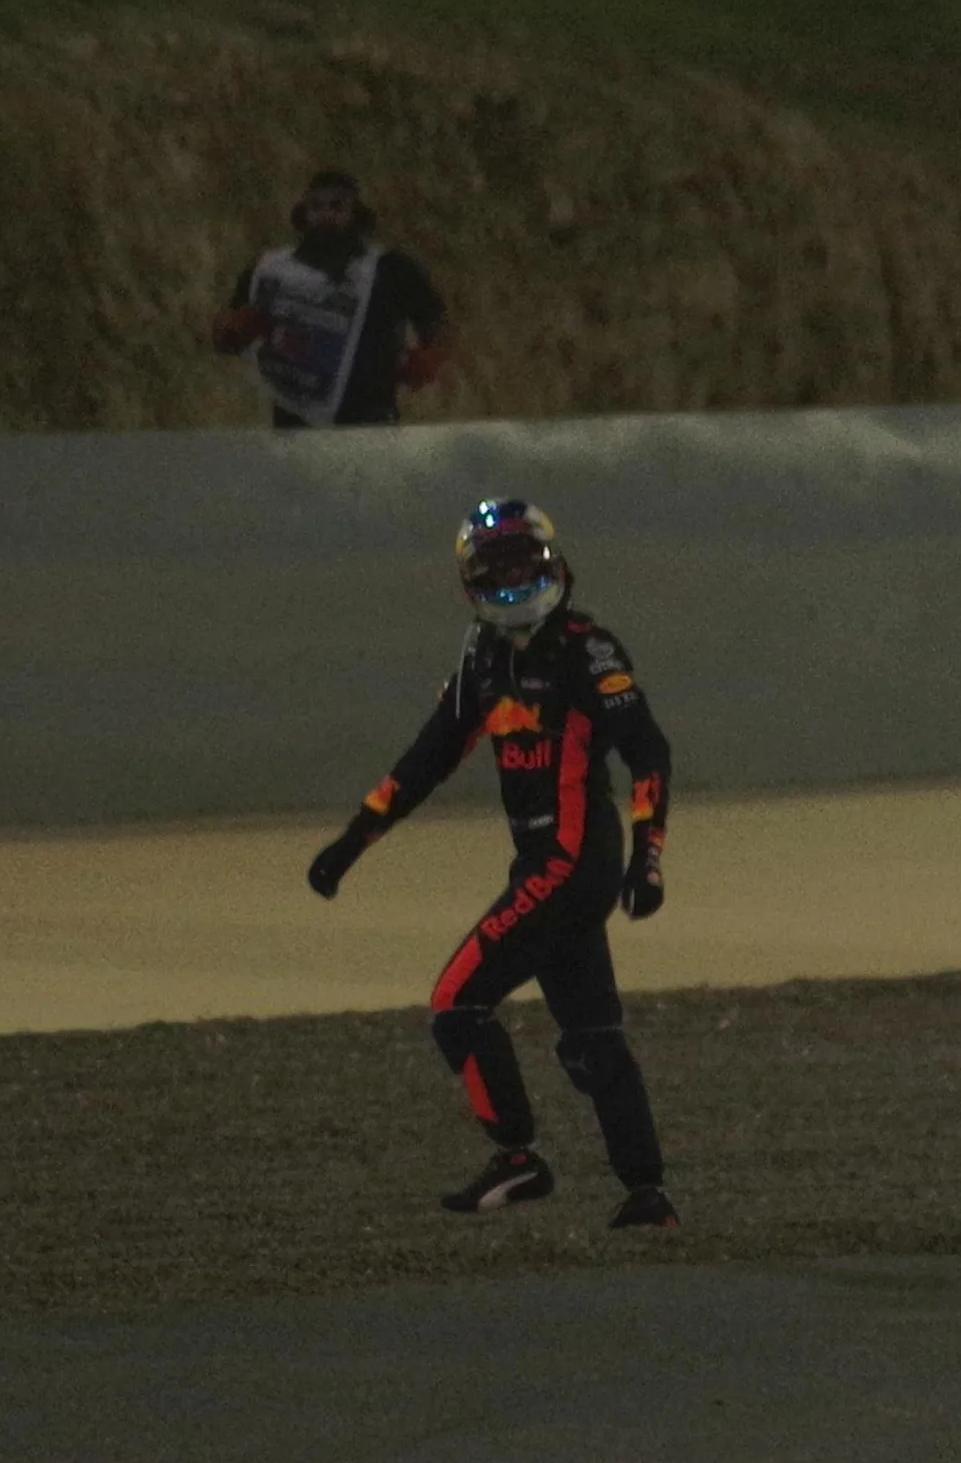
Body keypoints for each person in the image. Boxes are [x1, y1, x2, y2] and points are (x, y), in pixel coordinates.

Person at [304, 498, 679, 1229]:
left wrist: (650, 857)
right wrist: (353, 841)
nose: (512, 579)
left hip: (570, 863)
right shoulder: (481, 656)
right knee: (592, 1035)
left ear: (551, 560)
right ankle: (648, 1194)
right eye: (495, 568)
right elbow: (428, 758)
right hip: (552, 865)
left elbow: (648, 749)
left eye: (522, 563)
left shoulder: (586, 649)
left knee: (456, 1002)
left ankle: (518, 1158)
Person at [214, 170, 452, 428]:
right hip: (295, 422)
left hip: (370, 421)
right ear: (304, 214)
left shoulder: (390, 269)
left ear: (355, 214)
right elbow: (227, 337)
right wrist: (233, 331)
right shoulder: (269, 270)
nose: (326, 215)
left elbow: (433, 318)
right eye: (316, 207)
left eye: (337, 206)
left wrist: (431, 355)